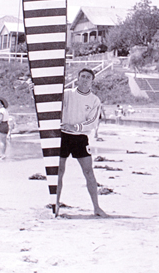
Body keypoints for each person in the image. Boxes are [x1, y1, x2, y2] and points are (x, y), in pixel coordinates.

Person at [56, 68, 107, 217]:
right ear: (78, 79)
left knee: (88, 172)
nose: (84, 79)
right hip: (63, 136)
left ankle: (96, 208)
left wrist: (76, 127)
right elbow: (50, 102)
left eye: (88, 77)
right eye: (82, 76)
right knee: (59, 172)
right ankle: (56, 205)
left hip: (80, 138)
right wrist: (34, 92)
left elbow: (92, 122)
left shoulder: (94, 100)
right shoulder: (67, 94)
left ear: (92, 81)